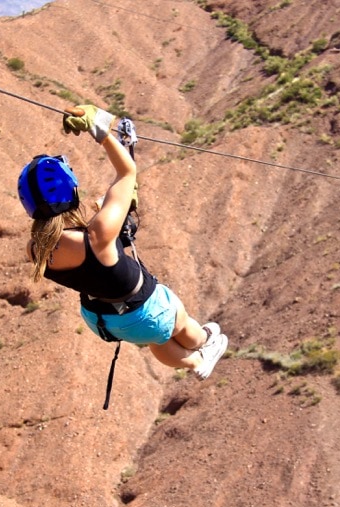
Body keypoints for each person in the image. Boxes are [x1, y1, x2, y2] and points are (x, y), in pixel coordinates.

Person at [17, 104, 227, 382]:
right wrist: (101, 132)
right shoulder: (98, 234)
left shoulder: (35, 249)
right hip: (147, 312)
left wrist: (108, 214)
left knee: (156, 339)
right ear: (70, 188)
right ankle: (205, 346)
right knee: (179, 323)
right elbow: (127, 173)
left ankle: (194, 364)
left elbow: (78, 248)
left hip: (104, 322)